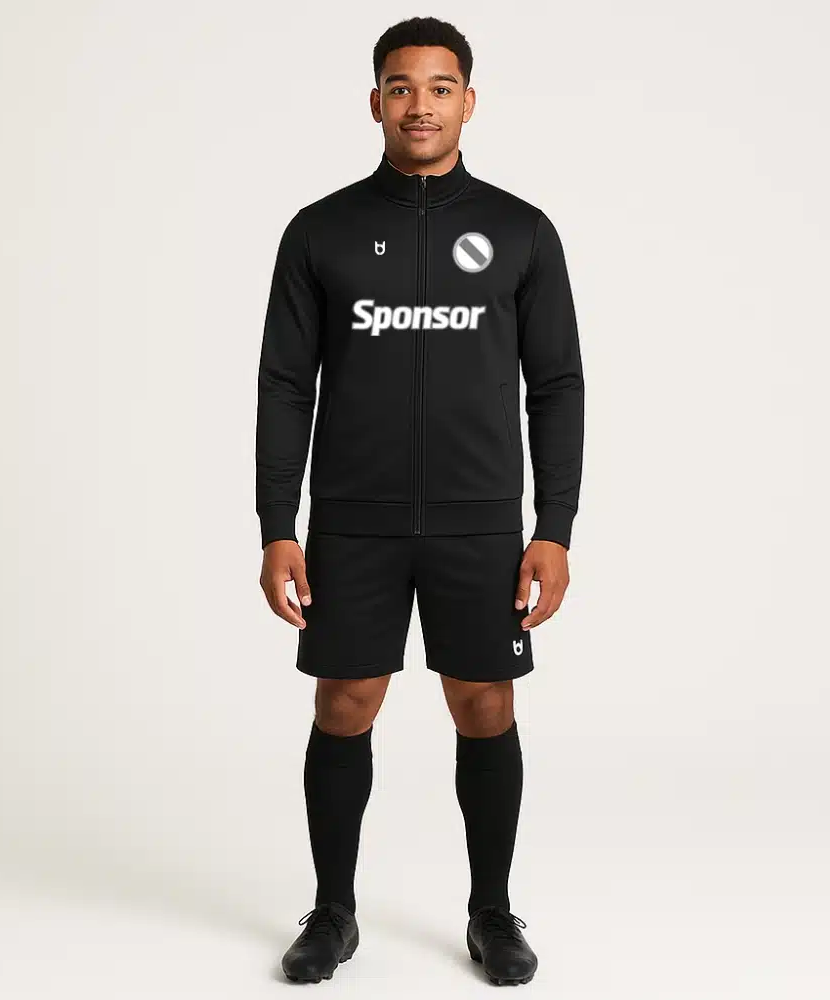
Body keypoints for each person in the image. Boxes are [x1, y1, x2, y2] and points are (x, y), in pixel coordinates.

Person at [255, 15, 584, 987]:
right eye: (401, 87)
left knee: (483, 704)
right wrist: (277, 525)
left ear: (468, 102)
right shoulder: (319, 231)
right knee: (344, 701)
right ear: (375, 102)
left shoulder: (522, 231)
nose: (420, 105)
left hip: (480, 520)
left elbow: (556, 384)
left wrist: (554, 528)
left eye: (440, 87)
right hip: (352, 519)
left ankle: (491, 912)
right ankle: (333, 911)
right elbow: (285, 384)